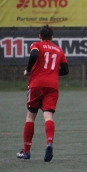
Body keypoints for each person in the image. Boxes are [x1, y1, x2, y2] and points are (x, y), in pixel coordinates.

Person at [17, 25, 69, 162]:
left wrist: (28, 70)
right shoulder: (59, 50)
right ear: (52, 37)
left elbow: (34, 54)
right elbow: (65, 70)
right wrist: (52, 73)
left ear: (39, 36)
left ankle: (26, 152)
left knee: (30, 117)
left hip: (36, 85)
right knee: (48, 116)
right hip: (52, 86)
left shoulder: (37, 45)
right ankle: (49, 142)